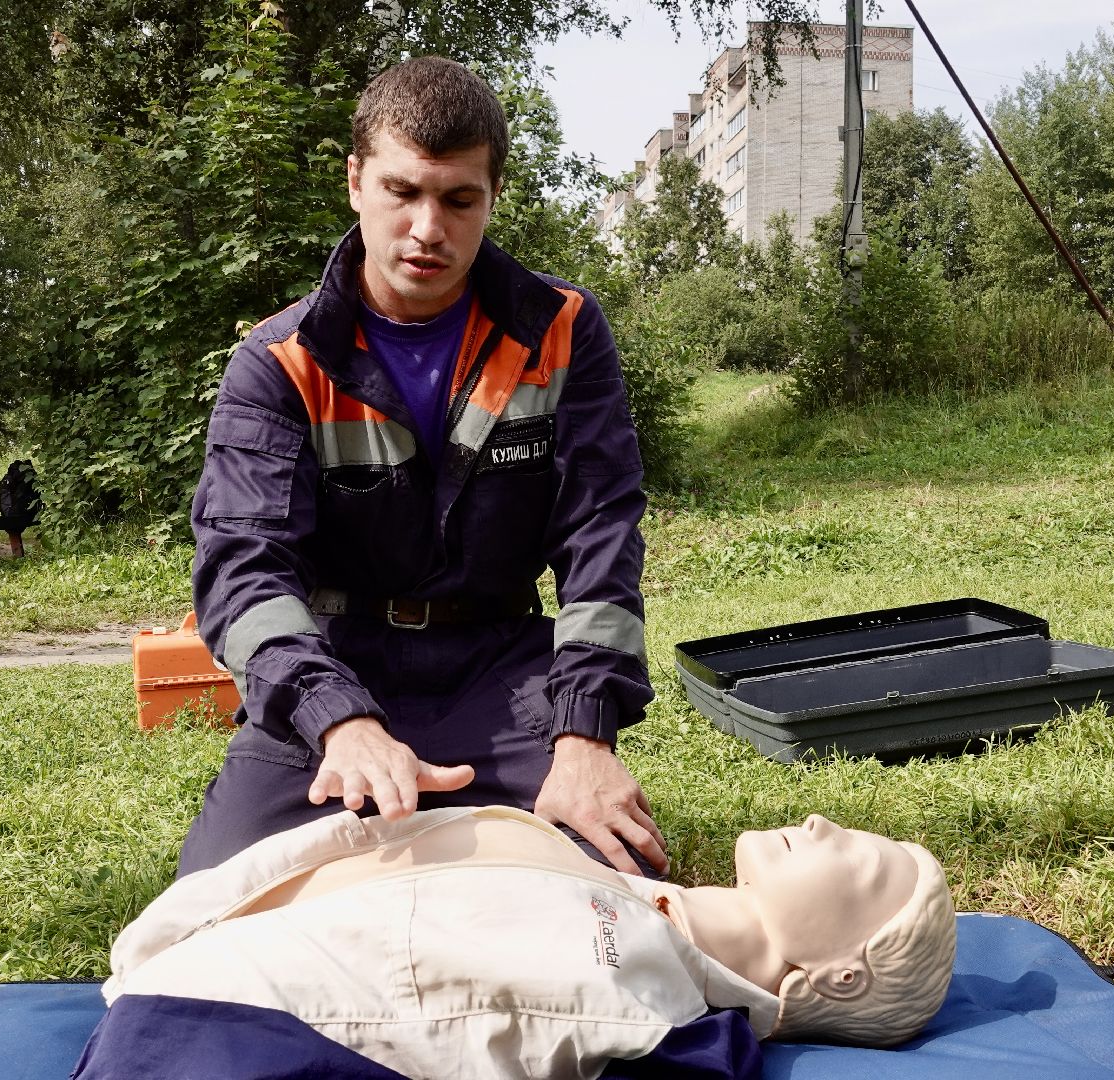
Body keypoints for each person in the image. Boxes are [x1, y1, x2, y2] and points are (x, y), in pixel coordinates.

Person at [180, 56, 662, 880]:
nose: (428, 228)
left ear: (492, 197)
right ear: (356, 181)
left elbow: (599, 534)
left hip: (505, 669)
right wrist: (340, 723)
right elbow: (244, 571)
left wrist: (583, 735)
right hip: (334, 667)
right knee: (217, 907)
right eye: (403, 192)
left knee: (615, 890)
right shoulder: (278, 360)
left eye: (458, 198)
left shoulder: (563, 329)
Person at [73, 808, 957, 1079]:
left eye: (868, 864)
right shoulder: (629, 895)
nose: (822, 818)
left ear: (839, 977)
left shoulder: (674, 1025)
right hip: (184, 953)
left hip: (211, 1032)